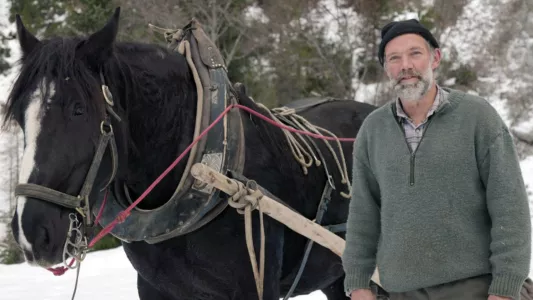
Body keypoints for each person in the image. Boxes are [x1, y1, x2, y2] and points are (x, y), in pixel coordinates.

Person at [342, 18, 532, 300]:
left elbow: (510, 209)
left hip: (475, 288)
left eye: (415, 53)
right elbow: (362, 216)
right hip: (401, 291)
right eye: (394, 58)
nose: (405, 65)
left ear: (435, 58)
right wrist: (357, 284)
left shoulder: (478, 117)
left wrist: (505, 288)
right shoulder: (373, 130)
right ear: (386, 68)